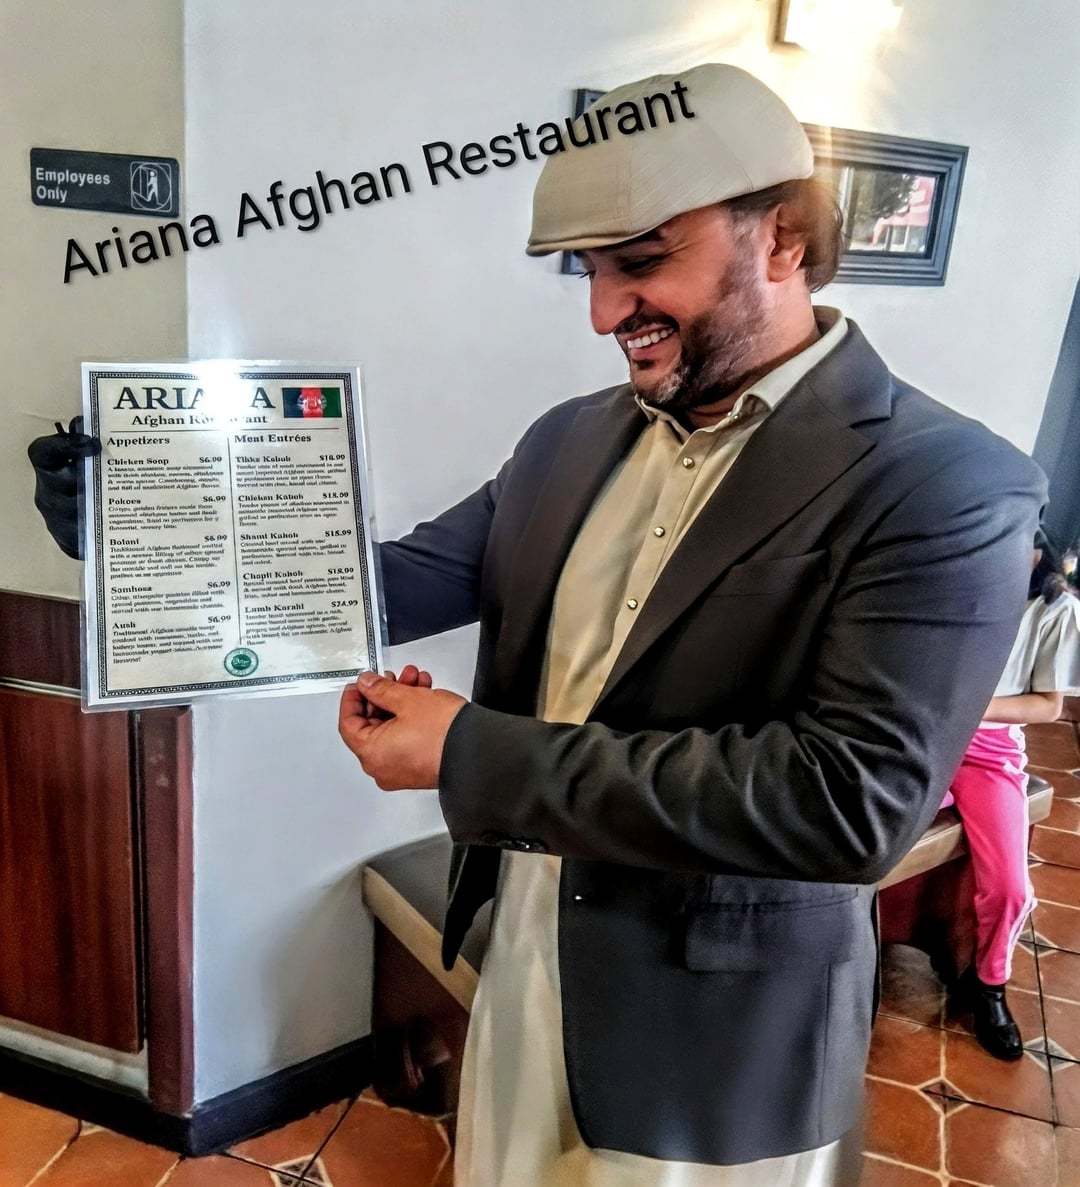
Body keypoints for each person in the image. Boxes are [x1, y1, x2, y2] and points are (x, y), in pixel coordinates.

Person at [31, 64, 1045, 1186]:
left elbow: (846, 803)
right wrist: (142, 535)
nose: (607, 312)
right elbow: (375, 585)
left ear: (785, 237)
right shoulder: (570, 436)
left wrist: (470, 751)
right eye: (592, 271)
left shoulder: (948, 483)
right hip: (523, 954)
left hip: (719, 1041)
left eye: (642, 261)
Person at [945, 534, 1080, 1061]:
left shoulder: (1056, 610)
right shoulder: (956, 580)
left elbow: (1048, 706)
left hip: (988, 751)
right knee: (866, 827)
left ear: (1037, 552)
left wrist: (968, 710)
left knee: (1010, 888)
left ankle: (989, 985)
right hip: (924, 739)